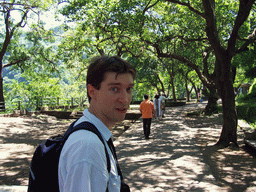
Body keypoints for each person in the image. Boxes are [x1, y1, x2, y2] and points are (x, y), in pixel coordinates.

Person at [58, 55, 136, 192]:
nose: (125, 99)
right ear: (92, 91)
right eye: (114, 89)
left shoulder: (95, 133)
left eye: (128, 89)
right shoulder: (87, 146)